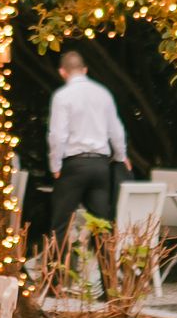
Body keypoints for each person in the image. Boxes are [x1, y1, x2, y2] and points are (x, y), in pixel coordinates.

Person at [44, 49, 129, 238]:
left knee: (61, 225)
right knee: (101, 225)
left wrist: (55, 166)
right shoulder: (103, 93)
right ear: (85, 70)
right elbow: (116, 130)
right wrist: (121, 157)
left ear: (62, 72)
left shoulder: (62, 96)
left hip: (74, 164)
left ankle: (57, 267)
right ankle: (108, 268)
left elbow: (57, 135)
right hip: (100, 165)